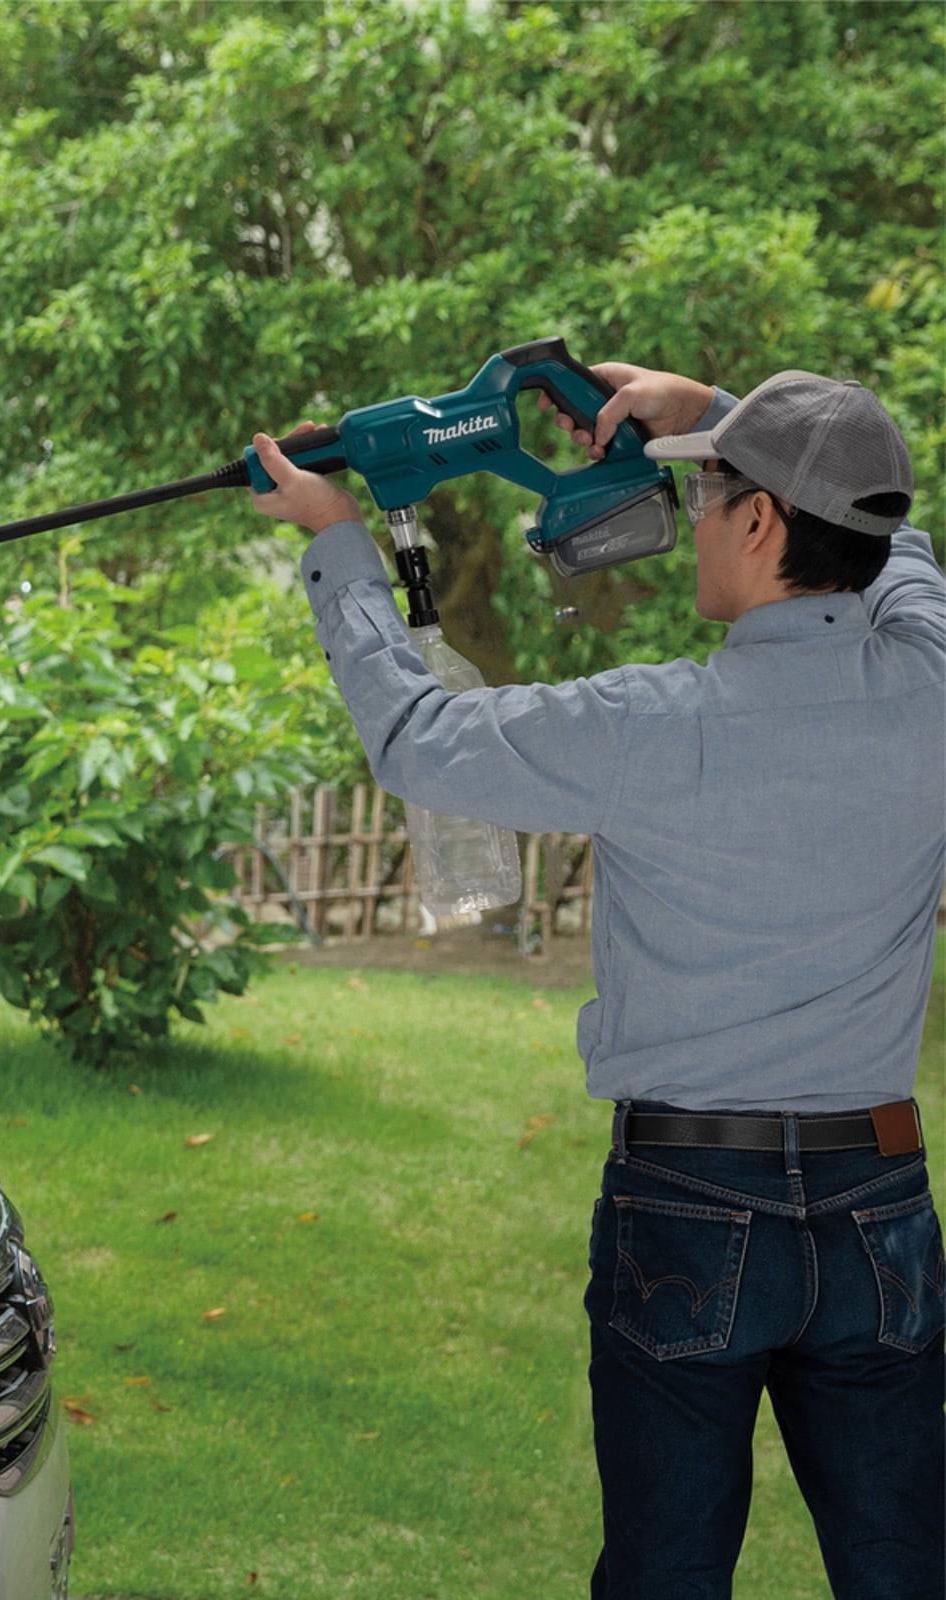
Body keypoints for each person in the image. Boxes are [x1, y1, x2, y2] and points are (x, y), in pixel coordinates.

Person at [248, 362, 945, 1599]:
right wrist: (716, 419)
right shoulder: (928, 686)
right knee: (906, 1567)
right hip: (877, 1197)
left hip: (687, 1191)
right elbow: (900, 544)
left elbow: (414, 739)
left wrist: (340, 547)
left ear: (760, 522)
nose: (685, 517)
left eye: (708, 487)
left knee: (665, 1575)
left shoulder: (651, 722)